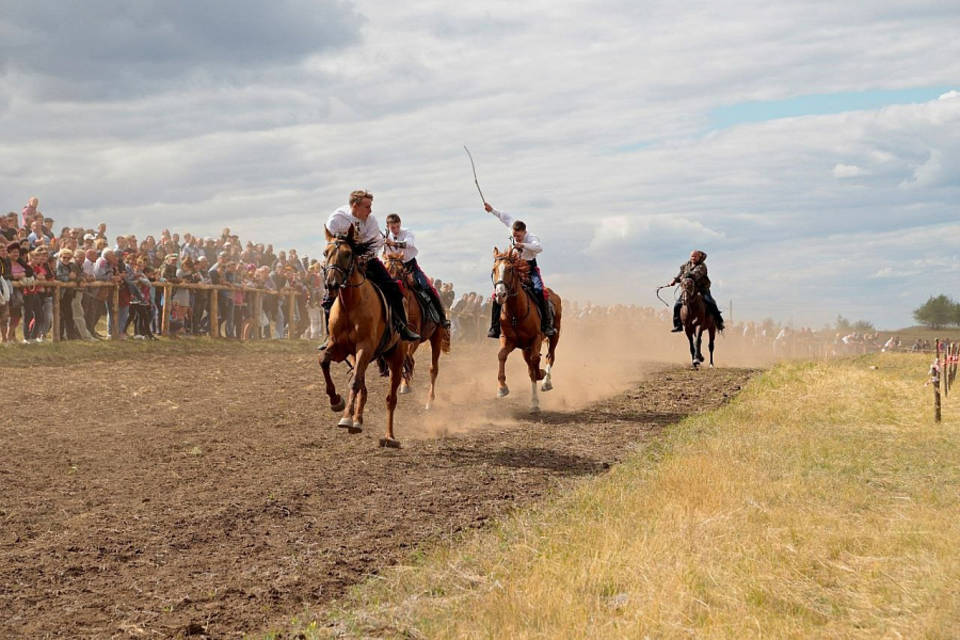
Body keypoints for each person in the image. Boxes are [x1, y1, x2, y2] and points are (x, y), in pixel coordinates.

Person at [324, 190, 420, 342]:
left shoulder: (372, 221)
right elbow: (331, 245)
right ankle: (329, 335)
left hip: (367, 260)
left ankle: (402, 327)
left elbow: (374, 246)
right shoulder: (336, 219)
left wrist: (362, 258)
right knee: (329, 292)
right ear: (355, 206)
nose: (370, 210)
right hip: (343, 260)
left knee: (393, 288)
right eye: (367, 207)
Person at [482, 202, 555, 338]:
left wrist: (523, 244)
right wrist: (491, 209)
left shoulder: (531, 238)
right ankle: (495, 327)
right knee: (498, 292)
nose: (516, 239)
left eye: (519, 236)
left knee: (540, 290)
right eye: (515, 236)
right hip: (514, 266)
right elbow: (503, 216)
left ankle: (546, 325)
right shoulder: (512, 228)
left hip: (530, 268)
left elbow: (539, 248)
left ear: (524, 232)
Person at [383, 212, 450, 328]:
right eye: (393, 227)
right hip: (392, 266)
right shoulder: (383, 236)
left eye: (397, 226)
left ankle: (442, 319)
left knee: (428, 287)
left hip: (410, 266)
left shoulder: (407, 232)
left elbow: (409, 244)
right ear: (388, 226)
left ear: (400, 224)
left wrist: (393, 243)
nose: (396, 229)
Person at [666, 249, 724, 332]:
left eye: (695, 256)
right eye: (692, 256)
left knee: (710, 302)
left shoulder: (702, 266)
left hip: (702, 288)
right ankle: (678, 325)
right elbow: (681, 273)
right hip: (688, 288)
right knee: (677, 305)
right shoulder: (687, 264)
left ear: (699, 257)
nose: (693, 258)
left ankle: (719, 322)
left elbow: (694, 275)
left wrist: (683, 276)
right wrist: (674, 280)